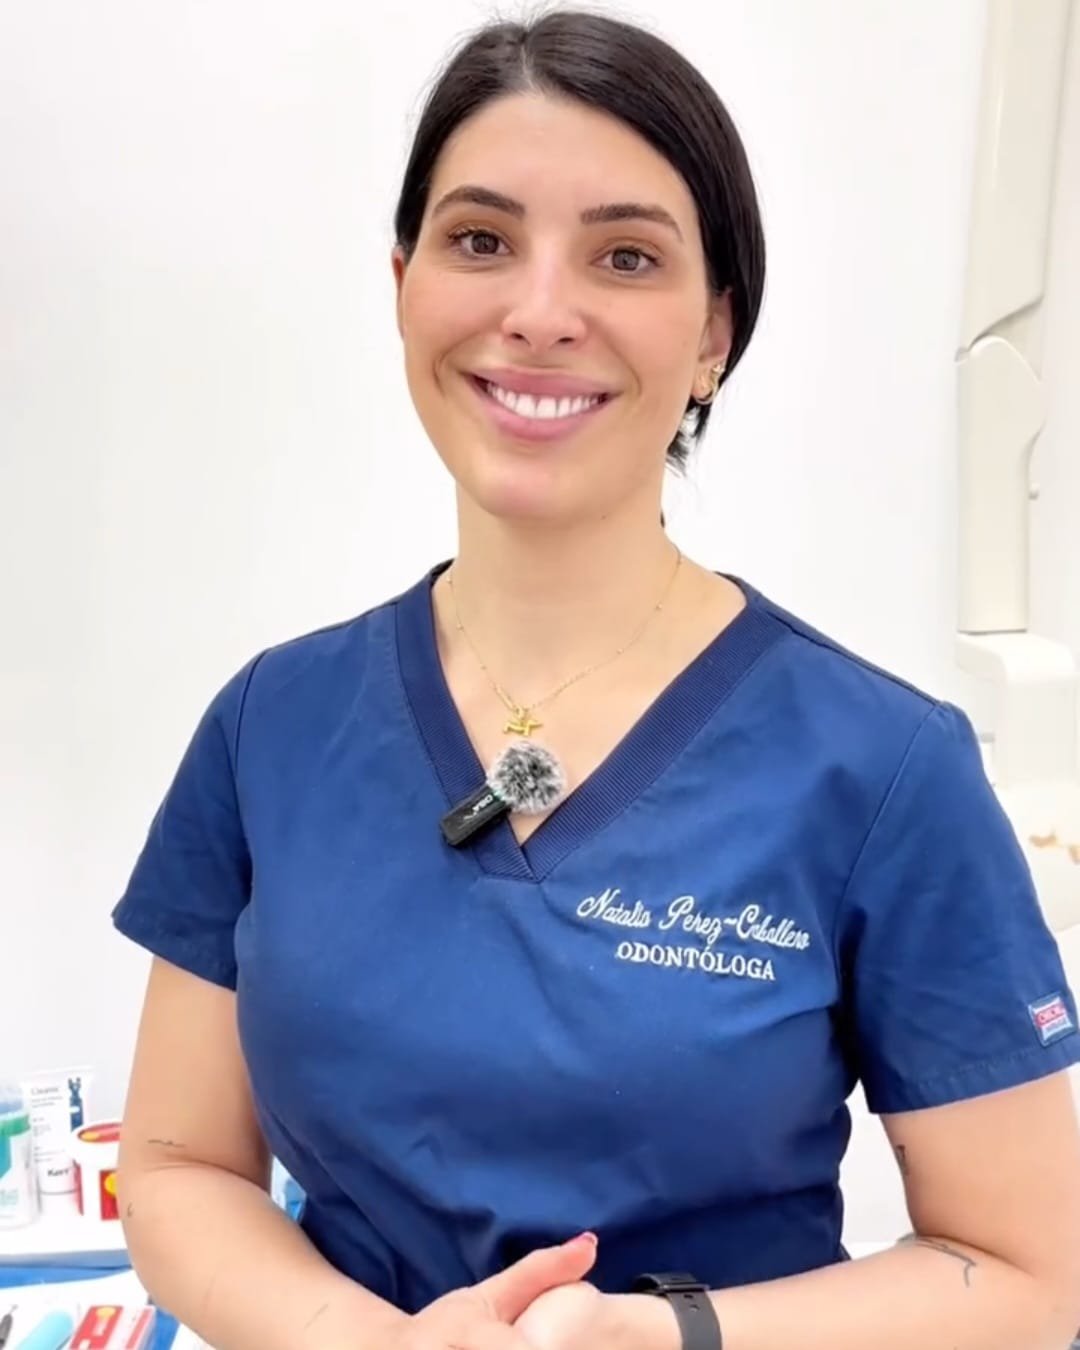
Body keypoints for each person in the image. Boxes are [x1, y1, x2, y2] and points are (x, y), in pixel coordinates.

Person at [111, 8, 1080, 1350]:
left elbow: (1027, 1274)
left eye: (626, 256)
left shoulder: (882, 768)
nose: (539, 312)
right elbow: (178, 1166)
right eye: (480, 240)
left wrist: (662, 1337)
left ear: (714, 334)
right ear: (401, 284)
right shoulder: (269, 727)